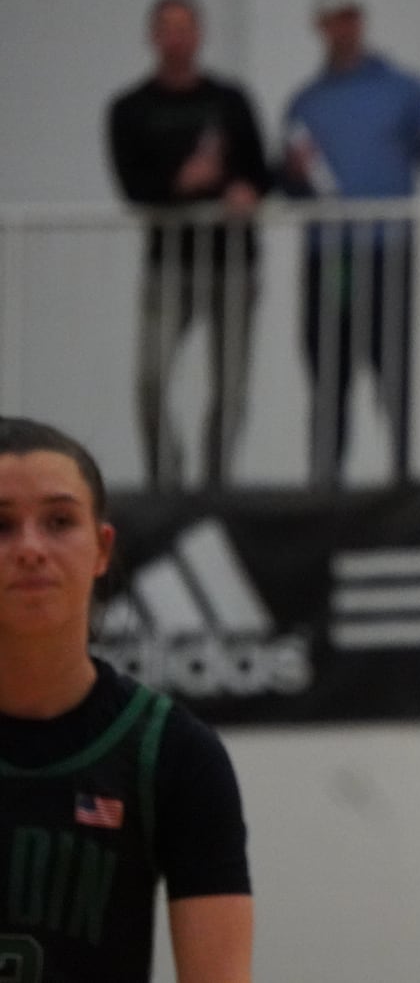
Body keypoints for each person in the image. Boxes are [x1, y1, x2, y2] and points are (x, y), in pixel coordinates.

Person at [0, 416, 253, 982]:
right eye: (2, 525)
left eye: (59, 521)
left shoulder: (174, 753)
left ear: (100, 547)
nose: (31, 549)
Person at [281, 0, 420, 484]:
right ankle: (325, 484)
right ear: (321, 27)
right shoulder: (305, 102)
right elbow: (292, 188)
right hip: (327, 255)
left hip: (388, 251)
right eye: (337, 18)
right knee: (327, 375)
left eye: (353, 16)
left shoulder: (404, 89)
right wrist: (292, 174)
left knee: (394, 372)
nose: (347, 26)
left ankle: (402, 480)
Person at [106, 0, 272, 490]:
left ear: (199, 35)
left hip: (233, 261)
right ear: (153, 37)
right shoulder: (130, 108)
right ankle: (166, 478)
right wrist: (183, 185)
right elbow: (134, 187)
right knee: (151, 379)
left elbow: (261, 172)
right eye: (168, 28)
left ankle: (215, 482)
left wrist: (245, 189)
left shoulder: (229, 100)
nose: (177, 38)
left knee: (231, 386)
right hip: (169, 263)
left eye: (186, 27)